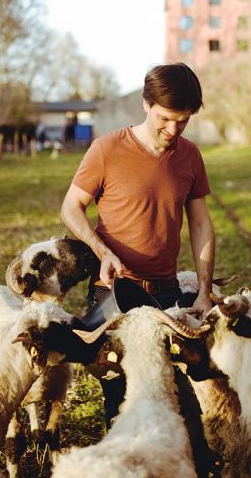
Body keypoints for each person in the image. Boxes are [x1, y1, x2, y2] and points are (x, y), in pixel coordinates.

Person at [61, 62, 216, 423]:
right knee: (119, 402)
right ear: (146, 104)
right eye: (165, 118)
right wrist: (103, 251)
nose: (173, 129)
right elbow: (71, 208)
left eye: (183, 120)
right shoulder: (107, 149)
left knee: (177, 399)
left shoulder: (190, 155)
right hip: (113, 295)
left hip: (168, 294)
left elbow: (201, 225)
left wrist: (205, 292)